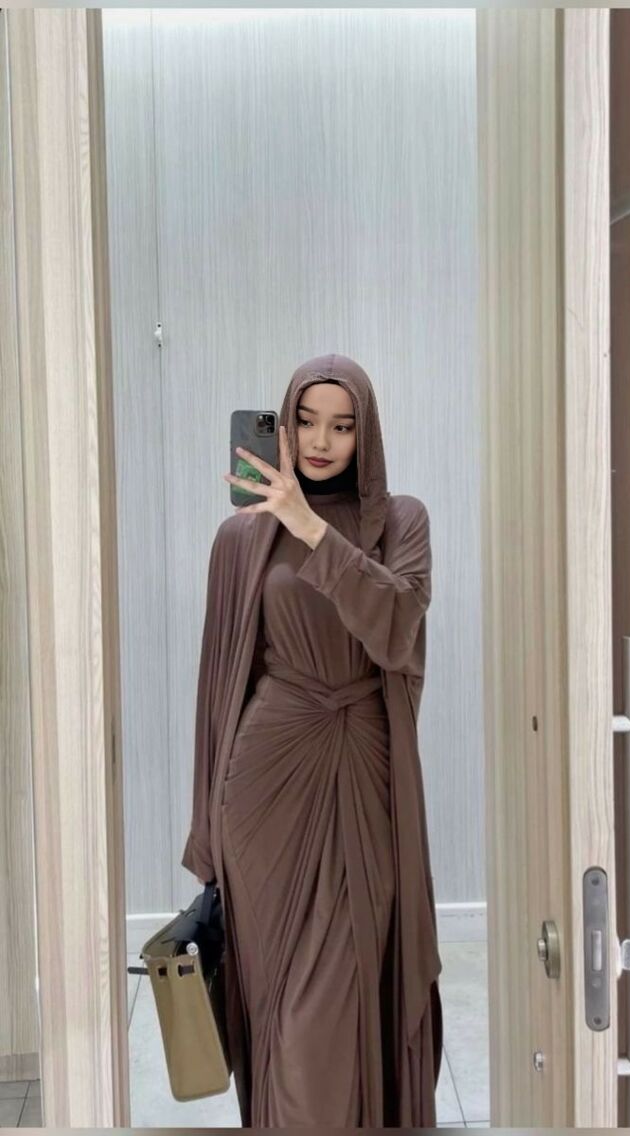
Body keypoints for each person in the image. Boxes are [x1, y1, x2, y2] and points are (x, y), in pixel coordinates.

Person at [182, 353, 443, 1126]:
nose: (321, 440)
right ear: (284, 424)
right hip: (265, 787)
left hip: (363, 773)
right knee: (278, 1008)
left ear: (368, 433)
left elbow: (395, 627)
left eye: (342, 424)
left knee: (337, 999)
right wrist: (208, 826)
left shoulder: (401, 521)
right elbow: (219, 687)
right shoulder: (240, 537)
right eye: (304, 421)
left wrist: (309, 527)